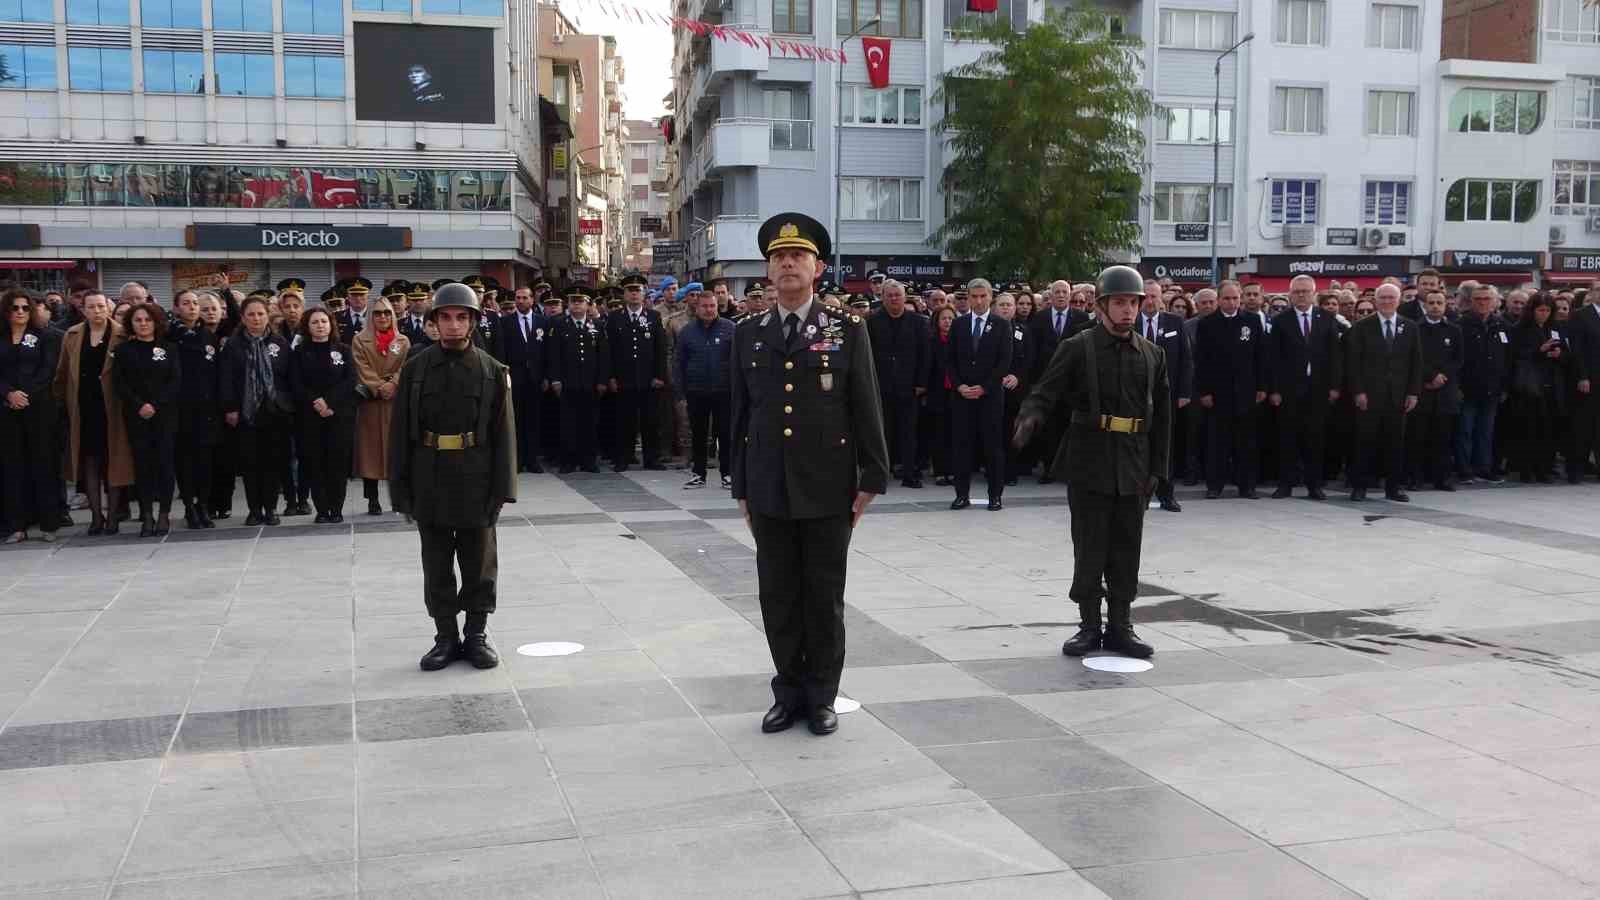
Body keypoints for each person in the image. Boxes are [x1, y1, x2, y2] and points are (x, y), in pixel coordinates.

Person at [730, 213, 888, 736]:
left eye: (797, 256)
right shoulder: (749, 333)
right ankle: (788, 691)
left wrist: (872, 478)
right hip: (770, 484)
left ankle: (822, 695)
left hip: (827, 485)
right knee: (777, 595)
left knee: (823, 596)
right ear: (768, 272)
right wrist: (741, 486)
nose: (788, 263)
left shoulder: (847, 329)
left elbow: (866, 405)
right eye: (778, 257)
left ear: (817, 268)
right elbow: (741, 414)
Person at [1013, 265, 1169, 659]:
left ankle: (1121, 625)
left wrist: (1159, 470)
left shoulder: (1153, 354)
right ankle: (1088, 625)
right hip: (1090, 458)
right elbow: (1045, 392)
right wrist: (1030, 416)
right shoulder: (1078, 347)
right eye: (1119, 303)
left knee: (1126, 546)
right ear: (1101, 306)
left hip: (1134, 461)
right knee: (1090, 546)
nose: (1128, 311)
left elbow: (1164, 418)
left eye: (1133, 303)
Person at [389, 283, 516, 671]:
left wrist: (502, 490)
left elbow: (504, 435)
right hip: (430, 476)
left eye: (462, 318)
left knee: (479, 562)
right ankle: (445, 636)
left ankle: (476, 634)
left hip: (476, 477)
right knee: (437, 562)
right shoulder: (414, 369)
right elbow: (398, 434)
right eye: (445, 317)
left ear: (473, 323)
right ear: (433, 323)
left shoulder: (492, 371)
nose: (453, 325)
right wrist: (401, 491)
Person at [54, 290, 132, 535]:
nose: (97, 311)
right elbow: (63, 374)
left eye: (101, 306)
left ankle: (113, 516)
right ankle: (96, 516)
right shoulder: (73, 335)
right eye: (92, 307)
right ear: (83, 309)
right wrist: (60, 403)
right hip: (83, 408)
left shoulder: (122, 333)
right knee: (89, 462)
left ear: (109, 308)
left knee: (114, 461)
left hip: (114, 408)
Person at [1345, 283, 1423, 501]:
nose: (1387, 301)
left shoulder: (1410, 327)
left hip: (1398, 396)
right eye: (1383, 298)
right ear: (1376, 301)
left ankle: (1394, 487)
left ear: (1398, 301)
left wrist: (1413, 392)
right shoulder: (1362, 327)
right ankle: (1360, 486)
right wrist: (1358, 391)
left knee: (1395, 444)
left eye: (1391, 297)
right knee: (1364, 442)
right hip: (1369, 395)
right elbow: (1354, 364)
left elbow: (1416, 362)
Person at [219, 295, 292, 525]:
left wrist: (285, 404)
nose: (256, 318)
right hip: (245, 412)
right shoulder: (233, 344)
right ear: (243, 317)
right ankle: (254, 510)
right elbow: (226, 379)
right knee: (250, 463)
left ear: (267, 315)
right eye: (251, 314)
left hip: (273, 411)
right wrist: (230, 408)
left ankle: (270, 508)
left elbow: (288, 377)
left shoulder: (279, 343)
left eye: (260, 313)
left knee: (272, 462)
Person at [1267, 276, 1342, 500]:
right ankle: (1285, 484)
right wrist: (1275, 390)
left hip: (1318, 389)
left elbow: (1335, 356)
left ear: (1313, 293)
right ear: (1290, 294)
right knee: (1287, 439)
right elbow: (1274, 359)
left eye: (1306, 291)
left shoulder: (1327, 318)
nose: (1301, 295)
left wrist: (1335, 386)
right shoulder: (1281, 320)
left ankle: (1314, 485)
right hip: (1289, 389)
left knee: (1315, 439)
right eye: (1297, 291)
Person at [111, 302, 182, 537]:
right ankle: (147, 514)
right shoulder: (123, 351)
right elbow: (119, 383)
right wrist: (140, 405)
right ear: (131, 324)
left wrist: (156, 404)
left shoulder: (169, 348)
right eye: (138, 320)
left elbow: (175, 381)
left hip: (165, 414)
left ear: (156, 322)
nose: (143, 324)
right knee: (142, 466)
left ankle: (164, 513)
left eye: (147, 320)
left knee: (164, 463)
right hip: (136, 415)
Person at [1195, 281, 1267, 499]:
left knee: (1246, 442)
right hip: (1218, 393)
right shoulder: (1207, 323)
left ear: (1241, 299)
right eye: (1227, 298)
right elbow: (1201, 360)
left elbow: (1261, 356)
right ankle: (1214, 485)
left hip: (1246, 391)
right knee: (1218, 442)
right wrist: (1204, 391)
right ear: (1219, 300)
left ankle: (1247, 486)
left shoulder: (1252, 321)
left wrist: (1262, 386)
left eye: (1235, 298)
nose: (1232, 302)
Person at [2, 288, 64, 542]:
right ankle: (16, 525)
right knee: (11, 467)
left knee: (43, 464)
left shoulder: (45, 336)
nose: (20, 312)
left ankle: (49, 524)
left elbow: (48, 370)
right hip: (6, 409)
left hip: (39, 408)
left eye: (25, 308)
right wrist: (8, 394)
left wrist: (23, 394)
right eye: (14, 308)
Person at [944, 278, 1012, 511]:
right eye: (974, 296)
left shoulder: (1002, 325)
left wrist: (985, 387)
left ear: (990, 297)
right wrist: (959, 385)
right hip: (962, 397)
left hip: (990, 397)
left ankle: (995, 495)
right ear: (969, 298)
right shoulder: (959, 324)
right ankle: (962, 494)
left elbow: (1004, 362)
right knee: (961, 447)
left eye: (983, 296)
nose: (979, 301)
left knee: (993, 447)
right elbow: (949, 360)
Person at [289, 308, 358, 523]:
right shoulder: (299, 352)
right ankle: (322, 509)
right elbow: (296, 383)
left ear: (331, 324)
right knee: (315, 463)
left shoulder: (344, 350)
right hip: (310, 417)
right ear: (307, 327)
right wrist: (316, 402)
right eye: (314, 322)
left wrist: (330, 402)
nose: (320, 325)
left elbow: (350, 380)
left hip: (338, 415)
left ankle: (336, 508)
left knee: (337, 464)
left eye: (324, 321)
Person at [867, 278, 930, 489]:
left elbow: (925, 356)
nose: (894, 299)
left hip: (909, 386)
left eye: (898, 295)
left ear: (905, 297)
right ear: (882, 298)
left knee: (908, 432)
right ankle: (882, 473)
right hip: (881, 386)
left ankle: (910, 474)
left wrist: (922, 382)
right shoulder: (872, 321)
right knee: (882, 432)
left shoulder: (919, 322)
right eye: (889, 295)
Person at [1136, 279, 1191, 511]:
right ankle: (1140, 495)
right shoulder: (1131, 322)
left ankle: (1167, 494)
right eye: (1146, 296)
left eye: (1154, 296)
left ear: (1162, 298)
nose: (1150, 301)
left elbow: (1186, 359)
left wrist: (1186, 392)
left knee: (1165, 446)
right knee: (1138, 446)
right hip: (1136, 396)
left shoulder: (1175, 322)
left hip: (1167, 395)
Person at [169, 290, 221, 528]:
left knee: (205, 460)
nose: (191, 307)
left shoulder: (208, 336)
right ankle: (189, 506)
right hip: (180, 409)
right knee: (185, 461)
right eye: (186, 303)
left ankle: (204, 505)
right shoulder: (169, 334)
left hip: (207, 409)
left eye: (194, 303)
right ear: (177, 308)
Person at [353, 295, 410, 514]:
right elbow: (361, 366)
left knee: (396, 453)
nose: (383, 317)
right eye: (377, 313)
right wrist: (379, 386)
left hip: (394, 403)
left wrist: (394, 384)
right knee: (370, 454)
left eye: (387, 313)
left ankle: (398, 498)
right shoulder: (360, 340)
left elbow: (406, 365)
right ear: (371, 316)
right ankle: (372, 499)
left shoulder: (403, 341)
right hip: (371, 402)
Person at [676, 288, 736, 488]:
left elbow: (737, 362)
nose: (709, 310)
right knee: (699, 434)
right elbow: (680, 363)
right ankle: (698, 473)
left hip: (724, 391)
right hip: (696, 391)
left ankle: (727, 473)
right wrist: (681, 392)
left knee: (725, 434)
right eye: (705, 306)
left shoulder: (730, 328)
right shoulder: (687, 331)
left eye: (712, 306)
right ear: (697, 308)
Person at [607, 272, 667, 472]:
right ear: (624, 294)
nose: (634, 295)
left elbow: (660, 348)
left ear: (644, 294)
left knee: (651, 421)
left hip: (648, 379)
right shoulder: (615, 318)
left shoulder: (653, 316)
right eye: (630, 291)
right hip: (624, 380)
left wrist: (660, 376)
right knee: (624, 422)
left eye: (638, 291)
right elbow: (610, 350)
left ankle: (652, 458)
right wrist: (612, 377)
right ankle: (623, 458)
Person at [1407, 289, 1464, 491]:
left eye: (1439, 303)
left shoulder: (1454, 330)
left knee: (1442, 438)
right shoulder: (1415, 328)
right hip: (1422, 389)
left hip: (1445, 391)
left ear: (1445, 304)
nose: (1435, 306)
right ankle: (1416, 478)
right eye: (1431, 303)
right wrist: (1430, 376)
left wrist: (1442, 377)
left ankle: (1442, 478)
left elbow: (1458, 359)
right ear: (1425, 305)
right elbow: (1413, 358)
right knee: (1417, 437)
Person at [1508, 294, 1568, 483]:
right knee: (1529, 429)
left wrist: (1559, 353)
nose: (1544, 314)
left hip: (1551, 384)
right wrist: (1539, 351)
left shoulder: (1555, 328)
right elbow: (1515, 355)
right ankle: (1526, 470)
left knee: (1548, 429)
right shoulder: (1520, 328)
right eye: (1541, 310)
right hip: (1530, 386)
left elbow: (1567, 353)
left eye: (1547, 311)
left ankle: (1544, 469)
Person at [550, 287, 610, 473]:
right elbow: (554, 356)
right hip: (568, 383)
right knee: (568, 424)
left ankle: (588, 460)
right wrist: (556, 380)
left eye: (580, 301)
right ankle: (568, 461)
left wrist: (602, 380)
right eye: (573, 301)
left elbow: (604, 356)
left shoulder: (597, 325)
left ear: (587, 305)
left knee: (590, 423)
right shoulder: (559, 324)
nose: (577, 304)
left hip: (590, 383)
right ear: (568, 304)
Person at [495, 285, 550, 473]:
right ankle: (517, 461)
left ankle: (532, 459)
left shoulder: (543, 321)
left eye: (525, 298)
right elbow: (501, 351)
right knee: (515, 420)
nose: (520, 301)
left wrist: (546, 376)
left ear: (532, 300)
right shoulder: (506, 322)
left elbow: (547, 353)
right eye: (518, 298)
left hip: (536, 379)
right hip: (515, 379)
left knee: (534, 420)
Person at [992, 292, 1033, 487]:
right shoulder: (987, 330)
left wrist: (1018, 377)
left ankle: (1010, 471)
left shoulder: (1023, 330)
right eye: (1002, 305)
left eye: (1009, 305)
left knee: (1012, 431)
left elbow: (1029, 360)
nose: (1006, 308)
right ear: (995, 307)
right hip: (992, 388)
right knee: (994, 432)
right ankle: (993, 470)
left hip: (1015, 391)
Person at [1566, 284, 1600, 483]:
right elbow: (1576, 350)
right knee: (1583, 426)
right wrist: (1582, 376)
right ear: (1592, 293)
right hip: (1589, 379)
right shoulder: (1580, 315)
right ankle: (1575, 469)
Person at [926, 305, 957, 486]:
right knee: (938, 432)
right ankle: (940, 470)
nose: (947, 322)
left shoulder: (961, 339)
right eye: (944, 319)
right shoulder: (931, 340)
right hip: (937, 391)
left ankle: (953, 470)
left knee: (955, 433)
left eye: (951, 318)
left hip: (956, 391)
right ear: (937, 322)